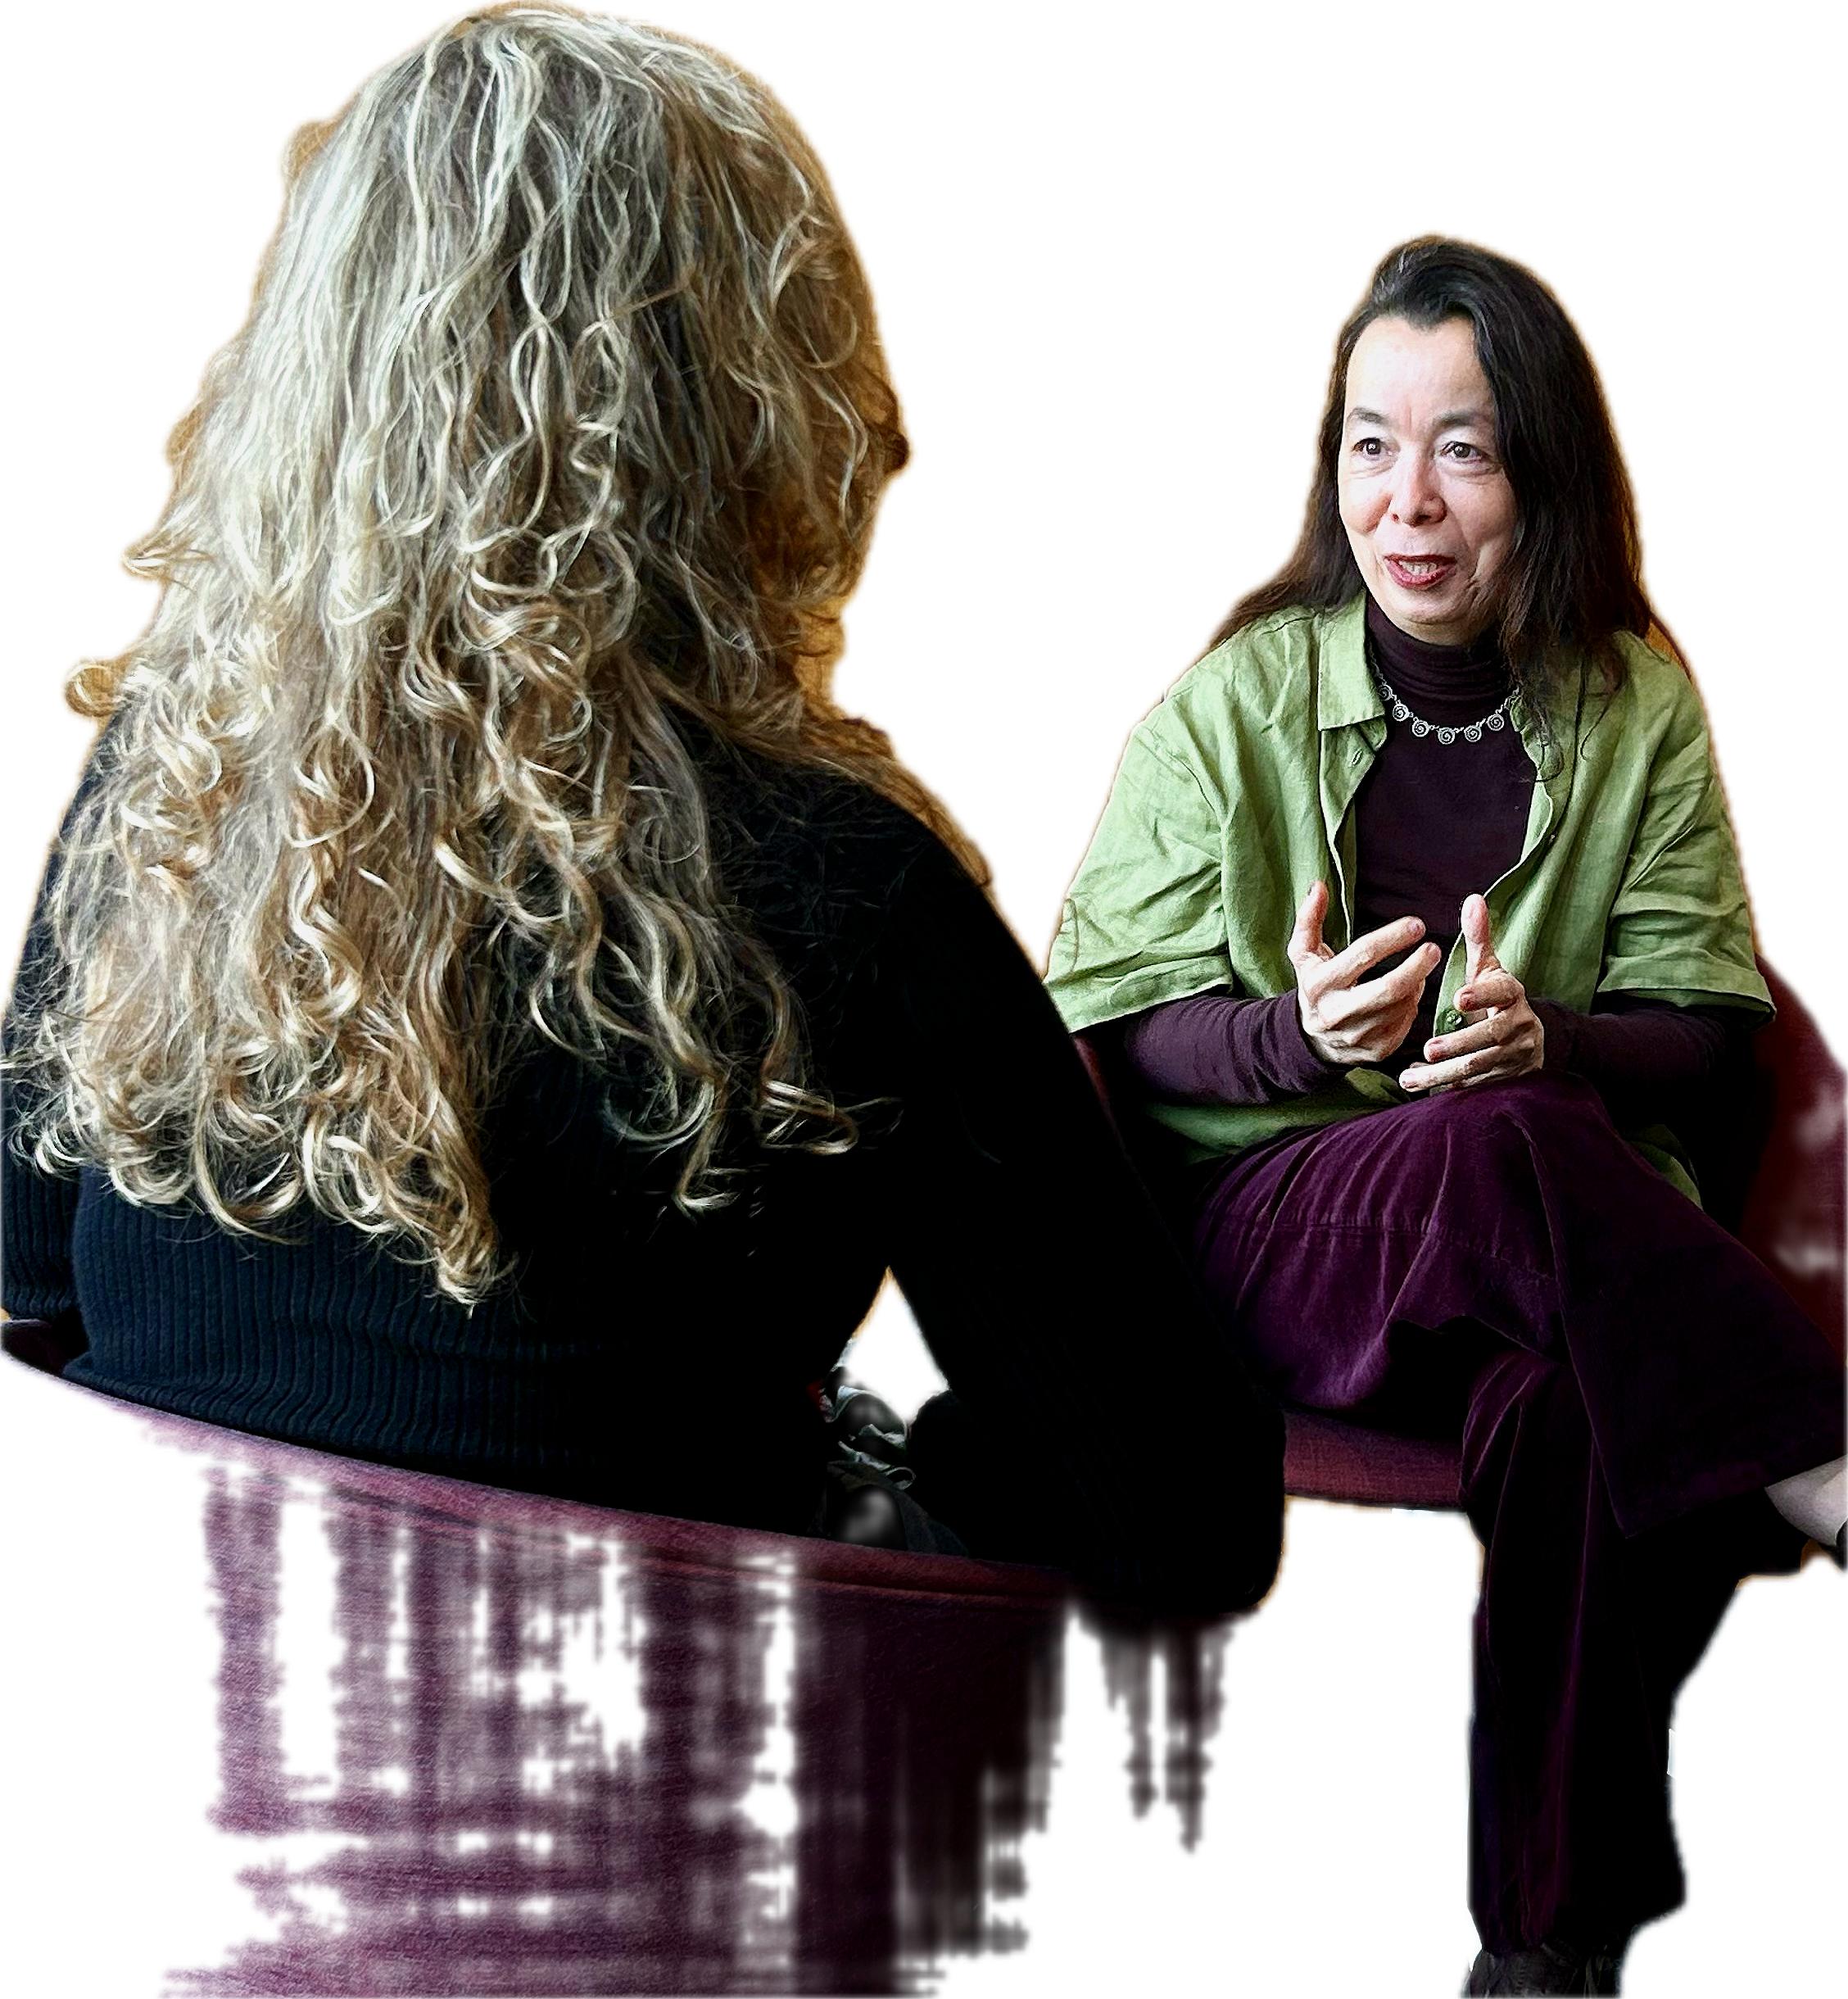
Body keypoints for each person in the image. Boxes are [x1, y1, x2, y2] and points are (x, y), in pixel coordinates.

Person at [0, 0, 1284, 1618]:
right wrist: (878, 1459)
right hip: (696, 1829)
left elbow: (36, 1303)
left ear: (320, 369)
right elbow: (1189, 1515)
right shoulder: (850, 889)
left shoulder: (158, 786)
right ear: (755, 394)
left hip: (156, 1825)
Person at [1042, 228, 1848, 1998]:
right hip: (1272, 1233)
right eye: (1370, 443)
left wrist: (1547, 1037)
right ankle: (1819, 1454)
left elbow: (1723, 1042)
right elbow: (1103, 1029)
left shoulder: (1641, 702)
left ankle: (1541, 1953)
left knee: (1563, 1400)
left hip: (1565, 1262)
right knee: (1495, 1149)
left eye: (1463, 447)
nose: (1409, 500)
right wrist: (1289, 1036)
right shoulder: (1233, 695)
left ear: (1540, 470)